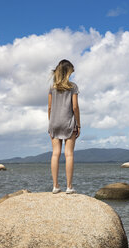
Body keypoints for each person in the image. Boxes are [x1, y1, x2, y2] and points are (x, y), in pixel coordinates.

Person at [48, 59, 80, 194]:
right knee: (69, 154)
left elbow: (49, 107)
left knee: (55, 154)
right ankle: (69, 187)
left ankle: (55, 186)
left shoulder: (52, 87)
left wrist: (51, 122)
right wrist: (78, 124)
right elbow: (75, 107)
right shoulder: (73, 87)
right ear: (68, 72)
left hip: (54, 122)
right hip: (68, 122)